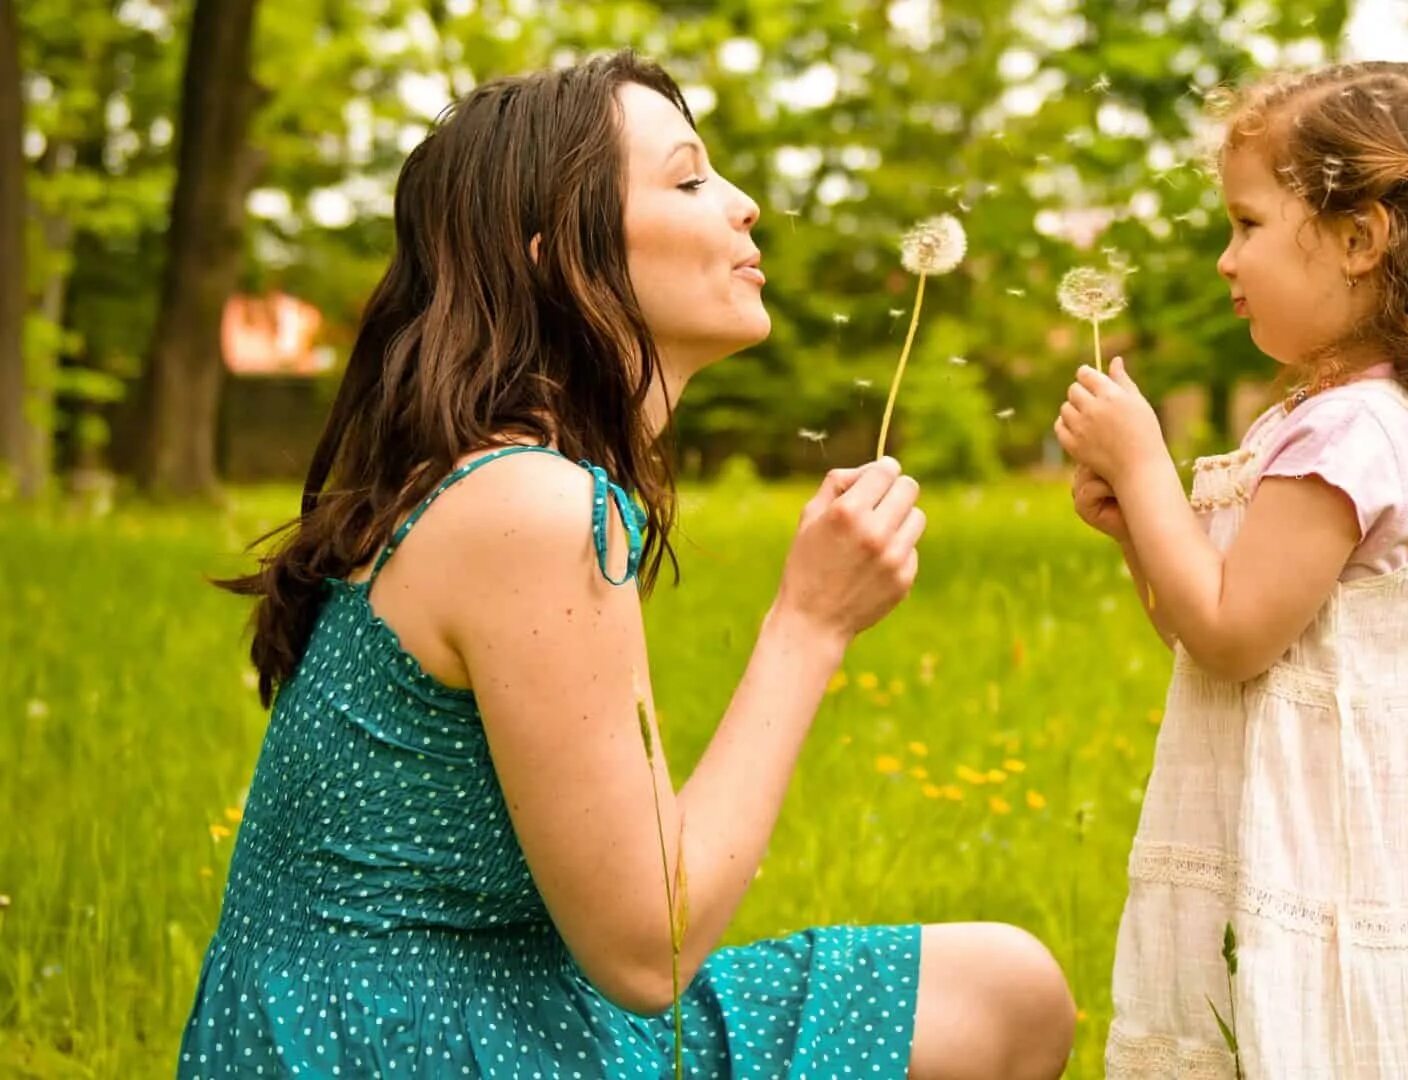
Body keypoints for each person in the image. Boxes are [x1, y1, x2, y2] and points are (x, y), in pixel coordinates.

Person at [179, 51, 1075, 1079]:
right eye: (689, 179)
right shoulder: (529, 506)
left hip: (473, 1001)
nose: (741, 206)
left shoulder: (491, 483)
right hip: (416, 1042)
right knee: (1005, 997)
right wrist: (810, 623)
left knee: (1007, 995)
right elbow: (651, 948)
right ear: (561, 257)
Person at [1056, 60, 1408, 1077]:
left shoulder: (1355, 435)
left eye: (1245, 225)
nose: (1223, 261)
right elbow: (1203, 630)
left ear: (1359, 239)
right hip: (1287, 829)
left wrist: (1149, 467)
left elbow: (1236, 636)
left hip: (1334, 851)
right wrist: (1136, 533)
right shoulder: (1313, 418)